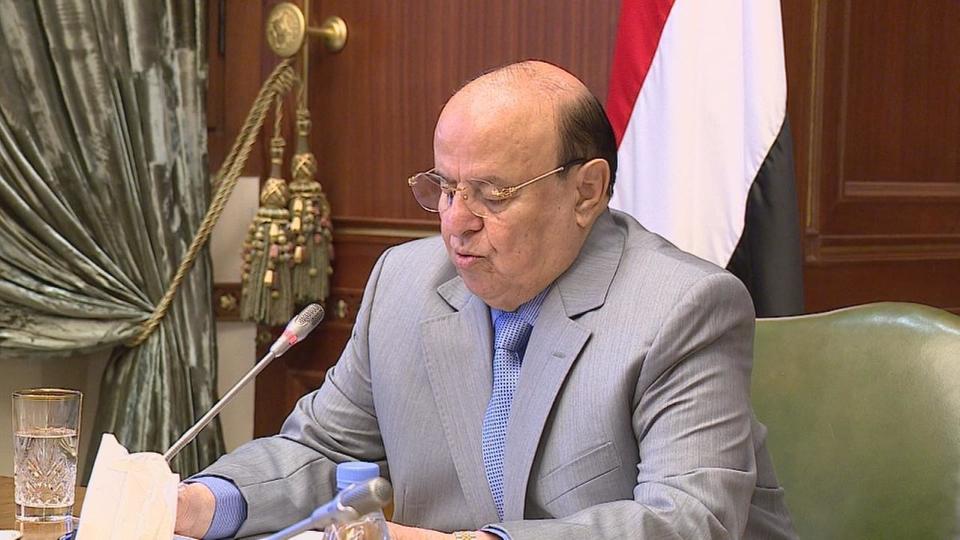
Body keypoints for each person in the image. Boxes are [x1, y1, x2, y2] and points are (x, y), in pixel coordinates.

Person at [176, 60, 797, 539]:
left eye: (492, 194)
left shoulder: (682, 307)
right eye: (445, 188)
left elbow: (688, 519)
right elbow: (323, 452)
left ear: (586, 191)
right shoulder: (405, 283)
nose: (456, 222)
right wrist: (196, 505)